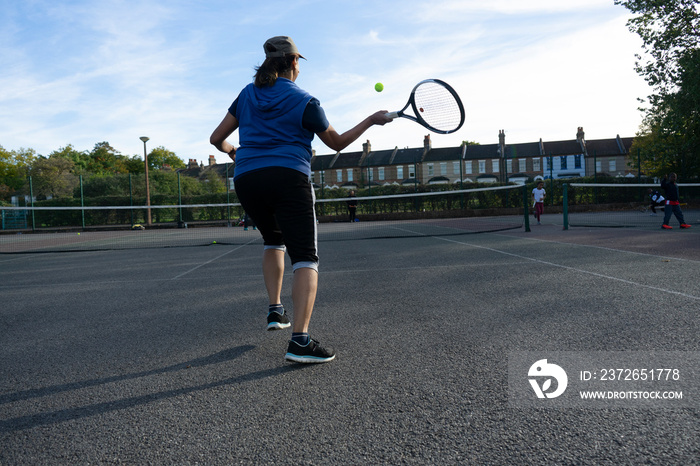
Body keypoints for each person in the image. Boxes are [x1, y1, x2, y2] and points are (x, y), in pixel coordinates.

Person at [210, 36, 392, 363]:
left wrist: (234, 152)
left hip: (247, 179)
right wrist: (370, 120)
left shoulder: (246, 95)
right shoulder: (306, 101)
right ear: (294, 62)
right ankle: (300, 341)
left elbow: (216, 139)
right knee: (306, 258)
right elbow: (336, 142)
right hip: (288, 177)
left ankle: (276, 311)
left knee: (273, 240)